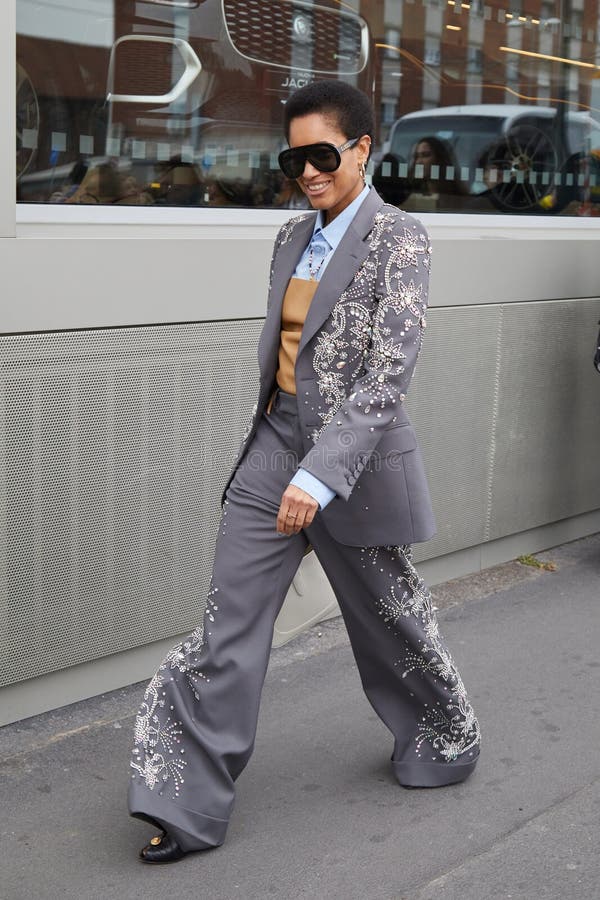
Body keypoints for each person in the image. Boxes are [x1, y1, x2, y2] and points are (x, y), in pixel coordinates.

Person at [128, 80, 481, 864]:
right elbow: (290, 357)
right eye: (295, 159)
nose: (308, 173)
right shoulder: (290, 237)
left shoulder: (401, 237)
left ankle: (444, 735)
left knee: (391, 619)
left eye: (323, 155)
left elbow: (389, 371)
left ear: (362, 148)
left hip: (348, 462)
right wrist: (283, 457)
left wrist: (320, 476)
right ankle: (184, 802)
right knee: (230, 621)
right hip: (272, 446)